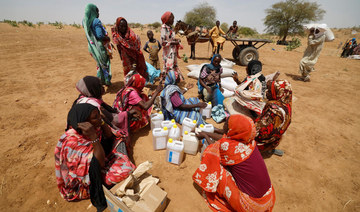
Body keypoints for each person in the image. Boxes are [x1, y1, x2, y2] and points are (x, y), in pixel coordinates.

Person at [55, 103, 135, 210]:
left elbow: (110, 136)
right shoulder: (72, 143)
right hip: (84, 182)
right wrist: (93, 136)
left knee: (119, 140)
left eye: (98, 115)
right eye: (95, 117)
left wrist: (101, 122)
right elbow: (99, 163)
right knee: (125, 170)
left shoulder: (93, 127)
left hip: (98, 158)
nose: (99, 119)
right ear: (84, 122)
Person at [193, 114, 276, 211]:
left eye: (226, 125)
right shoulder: (250, 142)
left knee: (213, 161)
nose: (223, 126)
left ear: (232, 130)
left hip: (250, 206)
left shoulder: (229, 148)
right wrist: (207, 133)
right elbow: (224, 140)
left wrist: (205, 136)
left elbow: (215, 149)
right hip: (267, 199)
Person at [74, 76, 140, 142]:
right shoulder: (92, 105)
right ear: (93, 89)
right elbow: (113, 120)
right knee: (119, 141)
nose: (103, 87)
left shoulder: (90, 97)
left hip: (94, 129)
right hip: (93, 136)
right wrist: (129, 113)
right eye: (99, 86)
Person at [255, 79, 292, 156]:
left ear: (278, 92)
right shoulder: (287, 104)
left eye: (269, 91)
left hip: (262, 143)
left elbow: (260, 132)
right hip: (275, 141)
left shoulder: (273, 108)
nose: (266, 93)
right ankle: (271, 149)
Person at [82, 4, 112, 86]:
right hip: (99, 46)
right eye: (97, 11)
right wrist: (107, 38)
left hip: (91, 46)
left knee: (99, 64)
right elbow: (99, 35)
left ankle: (100, 81)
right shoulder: (96, 21)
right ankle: (106, 80)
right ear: (93, 11)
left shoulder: (85, 21)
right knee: (104, 64)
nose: (98, 14)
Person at [160, 11, 183, 79]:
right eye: (172, 18)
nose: (173, 20)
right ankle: (169, 80)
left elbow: (171, 38)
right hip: (168, 51)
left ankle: (173, 78)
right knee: (168, 66)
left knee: (173, 65)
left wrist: (176, 40)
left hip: (173, 50)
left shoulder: (171, 28)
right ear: (167, 19)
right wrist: (174, 43)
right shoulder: (164, 27)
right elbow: (163, 42)